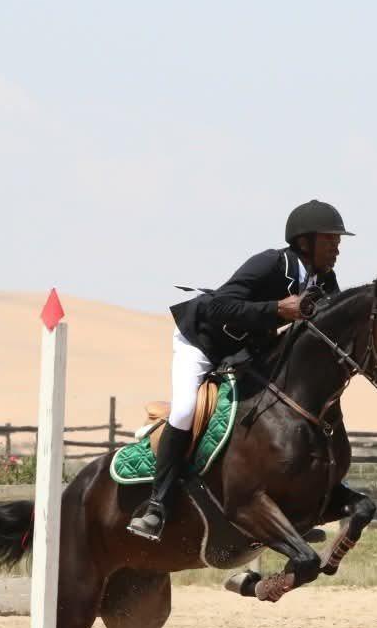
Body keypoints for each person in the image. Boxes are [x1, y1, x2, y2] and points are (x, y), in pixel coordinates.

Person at [126, 199, 353, 541]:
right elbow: (219, 306)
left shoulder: (325, 280)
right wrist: (279, 308)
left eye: (338, 241)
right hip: (202, 342)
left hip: (247, 351)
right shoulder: (272, 263)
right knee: (186, 410)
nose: (337, 248)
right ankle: (157, 506)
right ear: (305, 241)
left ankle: (289, 512)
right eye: (330, 240)